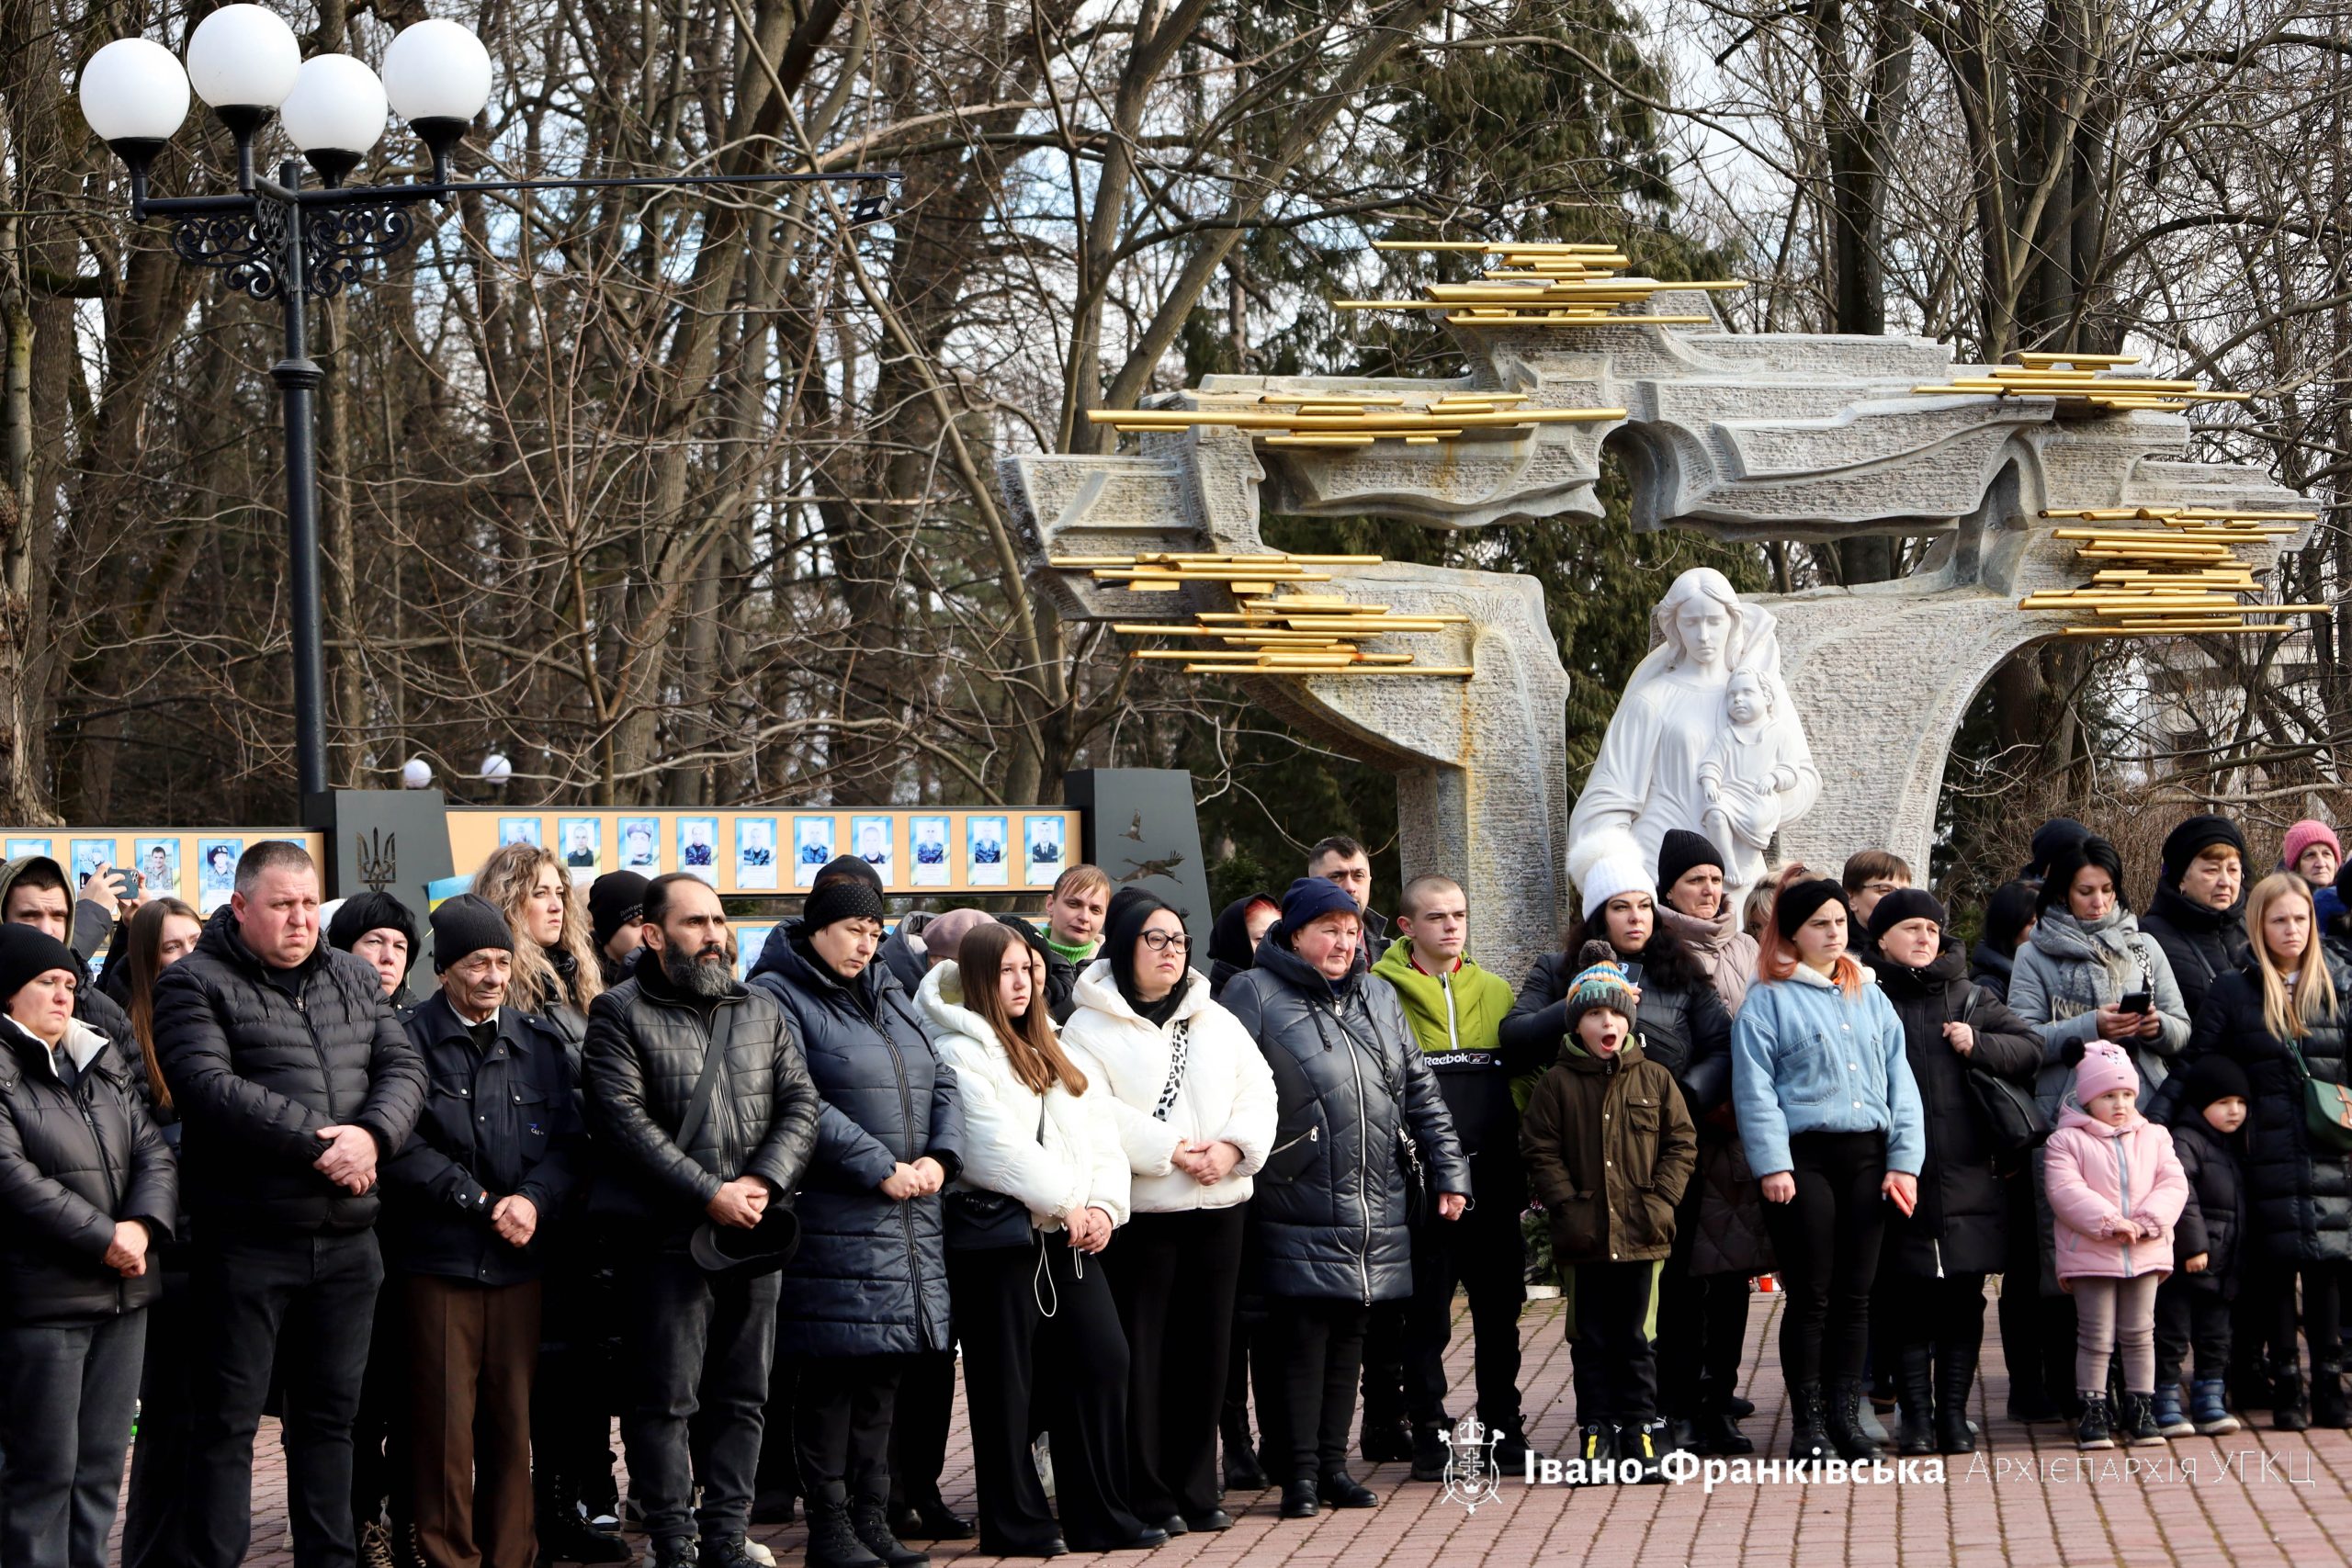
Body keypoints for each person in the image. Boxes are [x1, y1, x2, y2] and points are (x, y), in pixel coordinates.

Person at [152, 840, 427, 1568]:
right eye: (282, 905)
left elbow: (403, 1067)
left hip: (349, 1245)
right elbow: (208, 1086)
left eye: (308, 903)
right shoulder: (192, 982)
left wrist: (373, 1136)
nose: (300, 919)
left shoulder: (352, 976)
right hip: (245, 1242)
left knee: (331, 1422)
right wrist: (323, 1145)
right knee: (226, 1426)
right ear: (241, 906)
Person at [582, 873, 820, 1568]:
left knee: (744, 1396)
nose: (714, 935)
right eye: (695, 923)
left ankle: (725, 1536)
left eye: (719, 920)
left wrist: (761, 1182)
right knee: (665, 1400)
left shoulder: (760, 1007)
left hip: (754, 1231)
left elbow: (801, 1104)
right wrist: (709, 1192)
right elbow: (623, 1124)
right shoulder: (617, 1012)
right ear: (653, 935)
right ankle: (673, 1542)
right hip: (665, 1240)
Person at [1220, 877, 1469, 1521]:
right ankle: (1298, 1475)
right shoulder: (1253, 992)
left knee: (1351, 1335)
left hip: (1372, 1199)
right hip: (1292, 1197)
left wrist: (1450, 1173)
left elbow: (1421, 1091)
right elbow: (1225, 1091)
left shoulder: (1378, 995)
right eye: (1328, 929)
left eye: (1352, 930)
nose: (1343, 942)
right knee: (1301, 1340)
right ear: (1295, 933)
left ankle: (1333, 1468)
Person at [747, 869, 968, 1568]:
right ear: (817, 927)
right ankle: (831, 1525)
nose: (866, 945)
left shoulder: (889, 990)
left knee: (882, 1378)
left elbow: (943, 1076)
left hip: (908, 1217)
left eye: (875, 932)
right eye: (853, 930)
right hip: (835, 1215)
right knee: (832, 1379)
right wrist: (878, 1164)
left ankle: (872, 1518)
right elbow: (795, 1096)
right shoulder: (775, 994)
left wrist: (942, 1156)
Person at [916, 921, 1150, 1556]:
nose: (1022, 982)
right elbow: (990, 1146)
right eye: (1006, 971)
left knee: (1103, 1359)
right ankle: (1016, 1524)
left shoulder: (1051, 1041)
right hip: (1000, 1242)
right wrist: (1068, 1203)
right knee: (1006, 1386)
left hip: (1068, 1237)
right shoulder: (956, 1048)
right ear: (977, 978)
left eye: (1028, 969)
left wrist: (1103, 1207)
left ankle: (1099, 1514)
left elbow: (1099, 1134)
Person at [1503, 850, 1736, 1454]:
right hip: (1588, 1170)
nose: (1635, 918)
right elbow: (1515, 1037)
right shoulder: (1556, 969)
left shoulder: (1680, 970)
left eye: (1643, 906)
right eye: (1619, 907)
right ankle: (1605, 1425)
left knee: (1675, 1294)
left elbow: (1719, 1045)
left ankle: (1670, 1414)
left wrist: (1685, 1094)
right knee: (1600, 1317)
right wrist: (1584, 998)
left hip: (1664, 1161)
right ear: (1596, 915)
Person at [1060, 892, 1276, 1537]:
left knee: (1207, 1356)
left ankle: (1197, 1488)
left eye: (1178, 939)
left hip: (1220, 1210)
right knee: (1146, 1357)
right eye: (1154, 939)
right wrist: (1171, 1150)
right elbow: (1090, 1107)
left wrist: (1234, 1148)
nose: (1170, 951)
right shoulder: (1087, 1026)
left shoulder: (1214, 1016)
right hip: (1145, 1217)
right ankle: (1149, 1492)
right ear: (1125, 945)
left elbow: (1259, 1087)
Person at [388, 897, 585, 1568]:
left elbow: (570, 1143)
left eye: (502, 961)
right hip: (439, 1261)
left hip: (519, 1258)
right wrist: (476, 1200)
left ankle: (511, 1556)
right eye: (477, 963)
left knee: (512, 1424)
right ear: (443, 970)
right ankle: (450, 1559)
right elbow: (399, 1142)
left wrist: (531, 1200)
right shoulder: (405, 1040)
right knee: (443, 1428)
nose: (493, 976)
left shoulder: (539, 1042)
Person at [1729, 866, 1923, 1463]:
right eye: (1820, 923)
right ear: (1793, 932)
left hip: (1868, 1158)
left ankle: (1845, 1418)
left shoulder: (1870, 993)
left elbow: (1901, 1081)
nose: (1835, 932)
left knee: (1855, 1295)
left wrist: (1904, 1162)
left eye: (1840, 920)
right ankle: (1808, 1424)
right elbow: (1754, 1090)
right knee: (1812, 1295)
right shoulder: (1767, 999)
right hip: (1803, 1161)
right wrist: (1772, 1164)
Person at [0, 922, 176, 1568]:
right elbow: (12, 1177)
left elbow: (153, 1150)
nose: (62, 995)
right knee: (42, 1474)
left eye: (70, 984)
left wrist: (142, 1227)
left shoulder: (97, 1060)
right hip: (45, 1301)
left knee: (100, 1471)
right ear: (7, 992)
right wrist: (105, 1237)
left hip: (124, 1293)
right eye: (45, 982)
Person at [1858, 889, 2040, 1455]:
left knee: (1964, 1299)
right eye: (1911, 928)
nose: (1924, 938)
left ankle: (1954, 1417)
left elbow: (2030, 1047)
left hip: (1969, 1176)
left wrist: (1978, 1043)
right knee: (1905, 1301)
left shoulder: (1969, 996)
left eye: (1932, 929)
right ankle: (1915, 1418)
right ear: (1882, 938)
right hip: (1896, 1177)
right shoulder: (1865, 996)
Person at [1368, 874, 1538, 1477]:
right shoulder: (1378, 991)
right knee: (1426, 1318)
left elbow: (1521, 1074)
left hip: (1493, 1180)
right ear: (1406, 925)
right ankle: (1429, 1432)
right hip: (1420, 1187)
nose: (1451, 926)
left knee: (1500, 1312)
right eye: (1436, 916)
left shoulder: (1495, 989)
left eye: (1459, 915)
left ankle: (1503, 1428)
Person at [2170, 872, 2352, 1429]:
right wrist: (2154, 1121)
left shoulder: (2341, 981)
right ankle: (2287, 1385)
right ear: (2259, 925)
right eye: (2279, 920)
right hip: (2262, 1148)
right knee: (2275, 1269)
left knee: (2327, 1267)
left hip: (2331, 1148)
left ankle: (2329, 1384)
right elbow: (2199, 1063)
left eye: (2300, 918)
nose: (2292, 929)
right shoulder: (2235, 988)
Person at [1520, 942, 1698, 1481]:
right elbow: (1540, 1148)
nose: (1607, 1023)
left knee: (1639, 1340)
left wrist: (1661, 1198)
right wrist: (1566, 1203)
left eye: (1616, 1013)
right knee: (1591, 1340)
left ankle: (1640, 1432)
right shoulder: (1556, 1084)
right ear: (1577, 1022)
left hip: (1643, 1233)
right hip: (1584, 1237)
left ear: (1629, 1020)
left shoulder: (1655, 1079)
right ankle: (1596, 1433)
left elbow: (1681, 1143)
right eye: (1595, 1013)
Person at [114, 897, 203, 1568]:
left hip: (221, 1247)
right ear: (146, 962)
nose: (187, 957)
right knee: (169, 1423)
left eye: (195, 941)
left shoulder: (219, 1019)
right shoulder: (129, 1037)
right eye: (172, 947)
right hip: (165, 1255)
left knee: (211, 1425)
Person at [2044, 1040, 2188, 1450]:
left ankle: (2141, 1407)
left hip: (2144, 1249)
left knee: (2141, 1332)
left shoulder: (2155, 1136)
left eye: (2127, 1094)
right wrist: (2110, 1223)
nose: (2120, 1104)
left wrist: (2148, 1222)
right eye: (2109, 1095)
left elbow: (2173, 1182)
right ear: (2088, 1098)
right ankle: (2094, 1409)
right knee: (2095, 1334)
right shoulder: (2066, 1141)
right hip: (2092, 1252)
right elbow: (2065, 1191)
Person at [2153, 1055, 2249, 1438]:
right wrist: (2193, 1247)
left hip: (2224, 1265)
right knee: (2172, 1334)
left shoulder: (2236, 1143)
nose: (2234, 1111)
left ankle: (2210, 1398)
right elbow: (2183, 1196)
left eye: (2240, 1103)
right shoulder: (2184, 1139)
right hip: (2188, 1264)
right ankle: (2165, 1399)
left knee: (2216, 1336)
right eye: (2224, 1102)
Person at [1, 855, 140, 1070]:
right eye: (29, 916)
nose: (46, 930)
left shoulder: (108, 1018)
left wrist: (139, 927)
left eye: (58, 916)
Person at [473, 841, 605, 1043]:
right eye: (540, 893)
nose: (556, 906)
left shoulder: (578, 976)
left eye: (559, 893)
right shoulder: (492, 984)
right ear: (509, 903)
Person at [2136, 815, 2250, 1021]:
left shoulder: (2254, 927)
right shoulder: (2149, 938)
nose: (2225, 882)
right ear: (2181, 879)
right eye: (2212, 870)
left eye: (2233, 870)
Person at [1039, 865, 1112, 1024]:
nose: (1084, 917)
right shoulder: (1023, 961)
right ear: (1050, 904)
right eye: (1074, 904)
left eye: (1095, 910)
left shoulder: (1114, 968)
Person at [328, 891, 420, 1007]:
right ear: (342, 950)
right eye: (375, 941)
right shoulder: (311, 1012)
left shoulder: (422, 1017)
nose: (389, 957)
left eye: (399, 946)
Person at [1306, 836, 1389, 961]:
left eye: (1359, 876)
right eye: (1336, 877)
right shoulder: (1286, 953)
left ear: (1369, 881)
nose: (1350, 887)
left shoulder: (1396, 956)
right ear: (1312, 885)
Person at [1968, 880, 2041, 1007]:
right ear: (2008, 926)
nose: (2042, 930)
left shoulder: (2032, 973)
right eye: (2033, 923)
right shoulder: (1989, 989)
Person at [1205, 892, 1278, 1002]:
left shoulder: (1293, 990)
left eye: (1278, 938)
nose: (1273, 946)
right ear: (1235, 942)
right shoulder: (1210, 1006)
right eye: (1260, 939)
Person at [589, 871, 650, 988]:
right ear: (608, 927)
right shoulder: (580, 983)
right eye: (639, 923)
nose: (650, 933)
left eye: (656, 923)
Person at [2284, 819, 2345, 926]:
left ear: (2336, 863)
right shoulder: (2280, 905)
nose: (2321, 863)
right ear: (2295, 867)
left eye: (2326, 854)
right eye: (2310, 855)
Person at [1841, 850, 1911, 942]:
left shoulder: (1918, 944)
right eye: (1885, 890)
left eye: (1904, 893)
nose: (1898, 899)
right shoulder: (1835, 947)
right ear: (1851, 899)